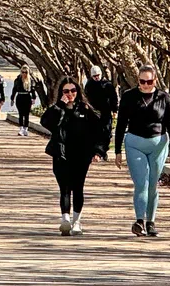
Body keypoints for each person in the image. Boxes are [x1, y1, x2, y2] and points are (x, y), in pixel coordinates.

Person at [115, 64, 170, 237]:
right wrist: (117, 150)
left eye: (149, 81)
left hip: (158, 143)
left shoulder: (163, 98)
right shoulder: (129, 97)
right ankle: (139, 221)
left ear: (155, 80)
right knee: (141, 183)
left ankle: (151, 222)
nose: (145, 85)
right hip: (134, 142)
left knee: (153, 184)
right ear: (138, 81)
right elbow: (121, 124)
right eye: (142, 82)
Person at [41, 77, 104, 236]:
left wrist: (98, 151)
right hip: (61, 153)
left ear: (78, 91)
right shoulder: (57, 109)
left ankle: (77, 222)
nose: (70, 94)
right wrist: (60, 105)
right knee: (64, 188)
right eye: (66, 91)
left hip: (81, 154)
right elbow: (46, 122)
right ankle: (65, 220)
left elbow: (99, 130)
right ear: (61, 92)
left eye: (73, 90)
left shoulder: (85, 108)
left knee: (78, 187)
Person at [84, 65, 118, 160]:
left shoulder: (107, 85)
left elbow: (113, 98)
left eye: (98, 75)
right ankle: (96, 152)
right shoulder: (89, 85)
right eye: (94, 76)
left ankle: (103, 151)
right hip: (93, 113)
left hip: (106, 112)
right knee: (95, 132)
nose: (97, 77)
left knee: (106, 132)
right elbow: (86, 99)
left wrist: (115, 110)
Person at [10, 65, 41, 136]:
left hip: (27, 97)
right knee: (21, 114)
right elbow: (14, 89)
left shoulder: (31, 80)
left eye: (25, 72)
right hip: (20, 96)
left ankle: (26, 129)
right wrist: (12, 98)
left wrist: (34, 98)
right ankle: (21, 129)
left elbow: (33, 90)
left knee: (26, 114)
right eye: (22, 72)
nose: (24, 74)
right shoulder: (18, 80)